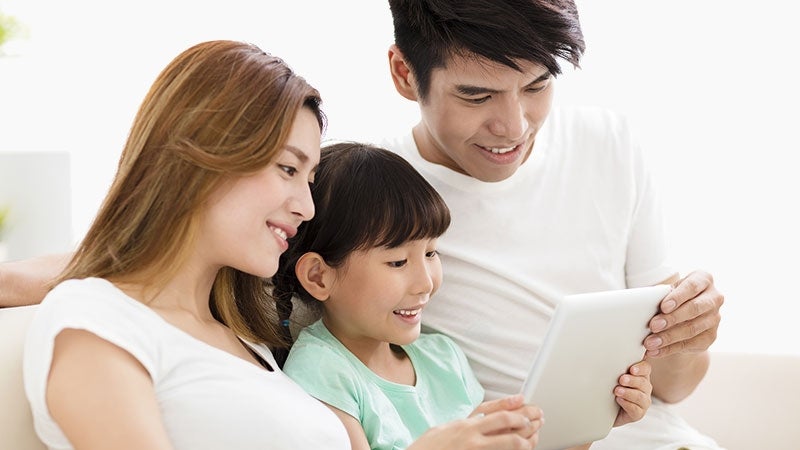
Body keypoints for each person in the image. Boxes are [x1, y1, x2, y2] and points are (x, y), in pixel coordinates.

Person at [16, 39, 573, 450]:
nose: (306, 208)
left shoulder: (247, 336)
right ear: (199, 157)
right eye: (287, 169)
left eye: (309, 180)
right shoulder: (100, 320)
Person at [380, 1, 725, 449]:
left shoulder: (607, 143)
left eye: (537, 85)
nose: (514, 127)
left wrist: (688, 335)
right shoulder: (372, 197)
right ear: (405, 73)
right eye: (477, 96)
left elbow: (675, 388)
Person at [271, 141, 654, 450]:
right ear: (319, 276)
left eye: (431, 254)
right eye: (398, 262)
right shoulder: (322, 371)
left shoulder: (444, 359)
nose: (426, 282)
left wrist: (590, 417)